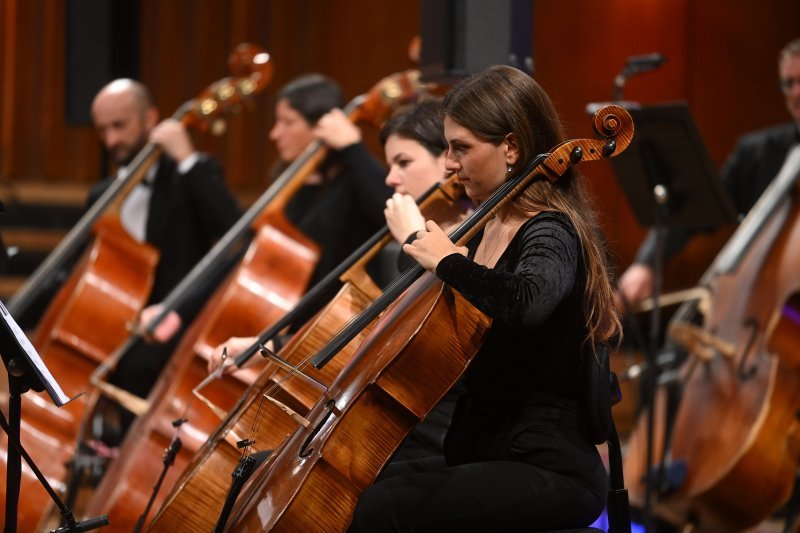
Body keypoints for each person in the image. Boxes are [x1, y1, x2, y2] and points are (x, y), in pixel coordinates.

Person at [349, 65, 621, 532]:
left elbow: (527, 302)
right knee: (354, 491)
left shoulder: (550, 227)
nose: (450, 163)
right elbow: (416, 277)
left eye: (461, 148)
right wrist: (438, 253)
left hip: (546, 466)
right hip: (484, 452)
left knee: (383, 511)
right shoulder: (485, 226)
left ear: (511, 148)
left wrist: (450, 262)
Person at [84, 78, 242, 402]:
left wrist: (186, 158)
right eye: (103, 131)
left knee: (140, 364)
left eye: (119, 125)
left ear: (150, 118)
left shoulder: (189, 177)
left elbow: (233, 230)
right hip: (116, 324)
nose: (111, 140)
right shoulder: (100, 196)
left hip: (175, 323)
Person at [617, 38, 800, 309]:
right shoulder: (759, 152)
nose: (795, 92)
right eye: (788, 83)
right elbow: (694, 209)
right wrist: (647, 263)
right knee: (676, 351)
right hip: (760, 307)